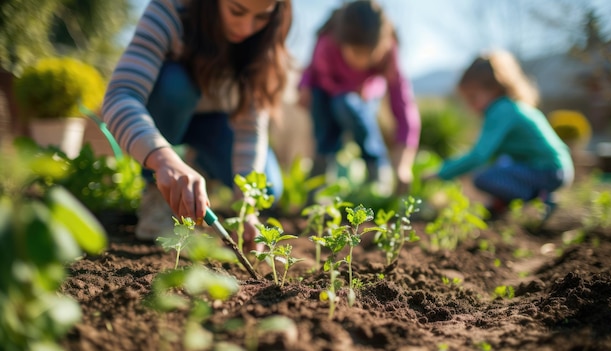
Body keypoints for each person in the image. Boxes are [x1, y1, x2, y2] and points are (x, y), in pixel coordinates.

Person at [102, 0, 292, 247]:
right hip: (163, 113)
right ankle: (160, 192)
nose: (247, 28)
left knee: (267, 188)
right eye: (237, 11)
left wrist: (247, 206)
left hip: (213, 126)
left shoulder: (263, 40)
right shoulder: (170, 10)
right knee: (175, 85)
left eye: (261, 17)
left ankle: (197, 168)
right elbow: (121, 95)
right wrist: (163, 161)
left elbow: (249, 128)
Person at [426, 50, 574, 219]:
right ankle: (502, 206)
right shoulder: (511, 106)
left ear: (495, 88)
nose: (471, 106)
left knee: (483, 178)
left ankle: (539, 201)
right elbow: (490, 156)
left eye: (474, 97)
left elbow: (479, 156)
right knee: (500, 165)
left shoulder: (500, 109)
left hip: (548, 171)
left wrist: (441, 172)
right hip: (556, 169)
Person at [298, 0, 421, 195]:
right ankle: (320, 180)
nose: (362, 61)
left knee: (349, 108)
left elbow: (404, 106)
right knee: (327, 131)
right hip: (324, 93)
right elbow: (312, 70)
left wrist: (403, 164)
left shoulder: (389, 52)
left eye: (370, 54)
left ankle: (377, 173)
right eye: (356, 52)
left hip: (362, 99)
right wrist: (303, 86)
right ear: (341, 42)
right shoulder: (327, 43)